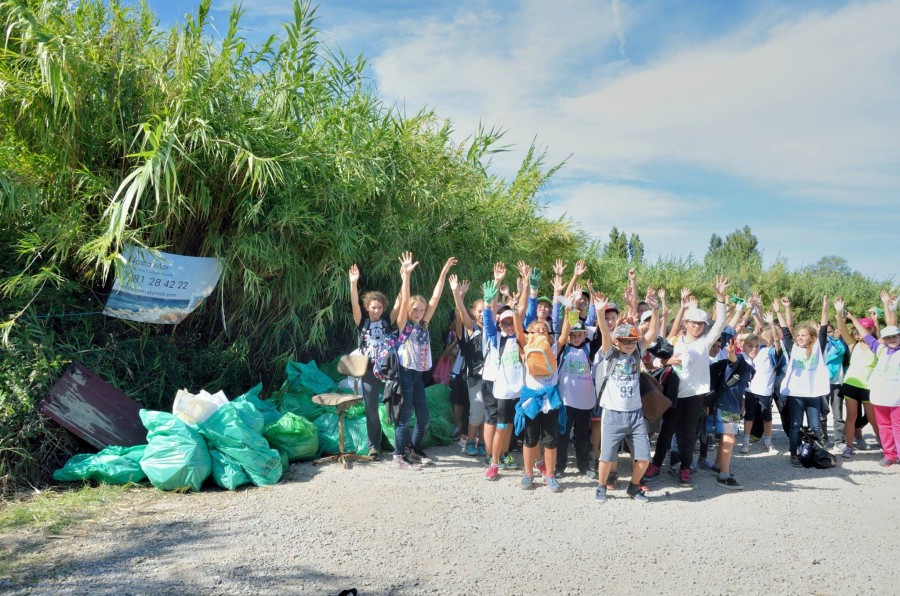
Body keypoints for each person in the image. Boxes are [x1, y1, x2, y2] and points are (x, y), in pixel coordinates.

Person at [393, 252, 456, 468]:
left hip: (418, 375)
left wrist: (444, 272)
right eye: (415, 309)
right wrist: (406, 276)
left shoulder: (424, 324)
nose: (419, 312)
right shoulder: (404, 324)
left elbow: (435, 298)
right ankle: (398, 455)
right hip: (405, 373)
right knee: (405, 417)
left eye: (421, 309)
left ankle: (413, 448)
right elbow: (404, 301)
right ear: (409, 310)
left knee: (424, 418)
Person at [666, 276, 730, 485]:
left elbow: (720, 323)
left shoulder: (706, 342)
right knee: (668, 431)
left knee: (689, 433)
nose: (696, 326)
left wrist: (720, 298)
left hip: (695, 395)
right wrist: (665, 361)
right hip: (674, 393)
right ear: (686, 323)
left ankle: (685, 467)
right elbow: (660, 356)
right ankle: (658, 464)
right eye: (693, 322)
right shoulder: (675, 340)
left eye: (700, 323)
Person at [592, 292, 652, 503]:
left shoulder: (636, 353)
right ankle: (601, 486)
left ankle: (633, 487)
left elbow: (652, 333)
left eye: (632, 341)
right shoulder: (610, 354)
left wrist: (655, 310)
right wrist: (600, 312)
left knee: (644, 458)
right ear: (616, 341)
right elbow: (604, 332)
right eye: (625, 340)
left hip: (635, 414)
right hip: (613, 413)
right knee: (607, 457)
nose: (629, 344)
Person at [348, 263, 401, 460]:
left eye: (379, 307)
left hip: (388, 369)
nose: (376, 310)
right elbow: (354, 305)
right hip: (369, 369)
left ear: (383, 307)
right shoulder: (363, 322)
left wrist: (405, 277)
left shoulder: (387, 321)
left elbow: (400, 303)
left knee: (395, 404)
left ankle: (400, 444)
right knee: (370, 408)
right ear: (368, 307)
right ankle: (374, 447)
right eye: (373, 307)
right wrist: (353, 283)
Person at [846, 292, 900, 467]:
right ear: (883, 339)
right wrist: (852, 318)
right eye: (888, 337)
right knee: (884, 427)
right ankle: (890, 454)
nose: (892, 340)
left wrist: (889, 306)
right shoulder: (880, 349)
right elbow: (864, 334)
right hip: (881, 398)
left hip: (897, 399)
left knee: (898, 427)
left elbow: (892, 325)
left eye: (895, 337)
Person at [777, 296, 830, 467]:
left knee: (816, 427)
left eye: (803, 335)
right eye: (798, 335)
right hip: (796, 395)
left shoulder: (818, 349)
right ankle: (794, 455)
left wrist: (825, 308)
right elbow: (786, 331)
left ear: (812, 337)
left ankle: (818, 453)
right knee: (795, 425)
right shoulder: (793, 348)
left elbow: (823, 329)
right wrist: (780, 311)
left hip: (813, 394)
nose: (799, 337)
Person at [834, 297, 879, 456]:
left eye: (864, 329)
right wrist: (839, 312)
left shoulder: (877, 346)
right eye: (857, 330)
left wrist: (874, 320)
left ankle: (885, 444)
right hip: (851, 384)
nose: (859, 332)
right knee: (851, 416)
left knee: (873, 418)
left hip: (868, 386)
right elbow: (842, 328)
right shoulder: (853, 344)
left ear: (871, 330)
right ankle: (849, 446)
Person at [740, 311, 782, 454]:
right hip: (750, 391)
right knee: (749, 416)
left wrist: (772, 325)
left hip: (765, 391)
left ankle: (768, 443)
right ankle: (745, 442)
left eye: (762, 337)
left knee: (767, 417)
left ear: (768, 339)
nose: (757, 342)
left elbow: (777, 342)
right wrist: (752, 312)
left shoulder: (771, 352)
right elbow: (746, 339)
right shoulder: (751, 351)